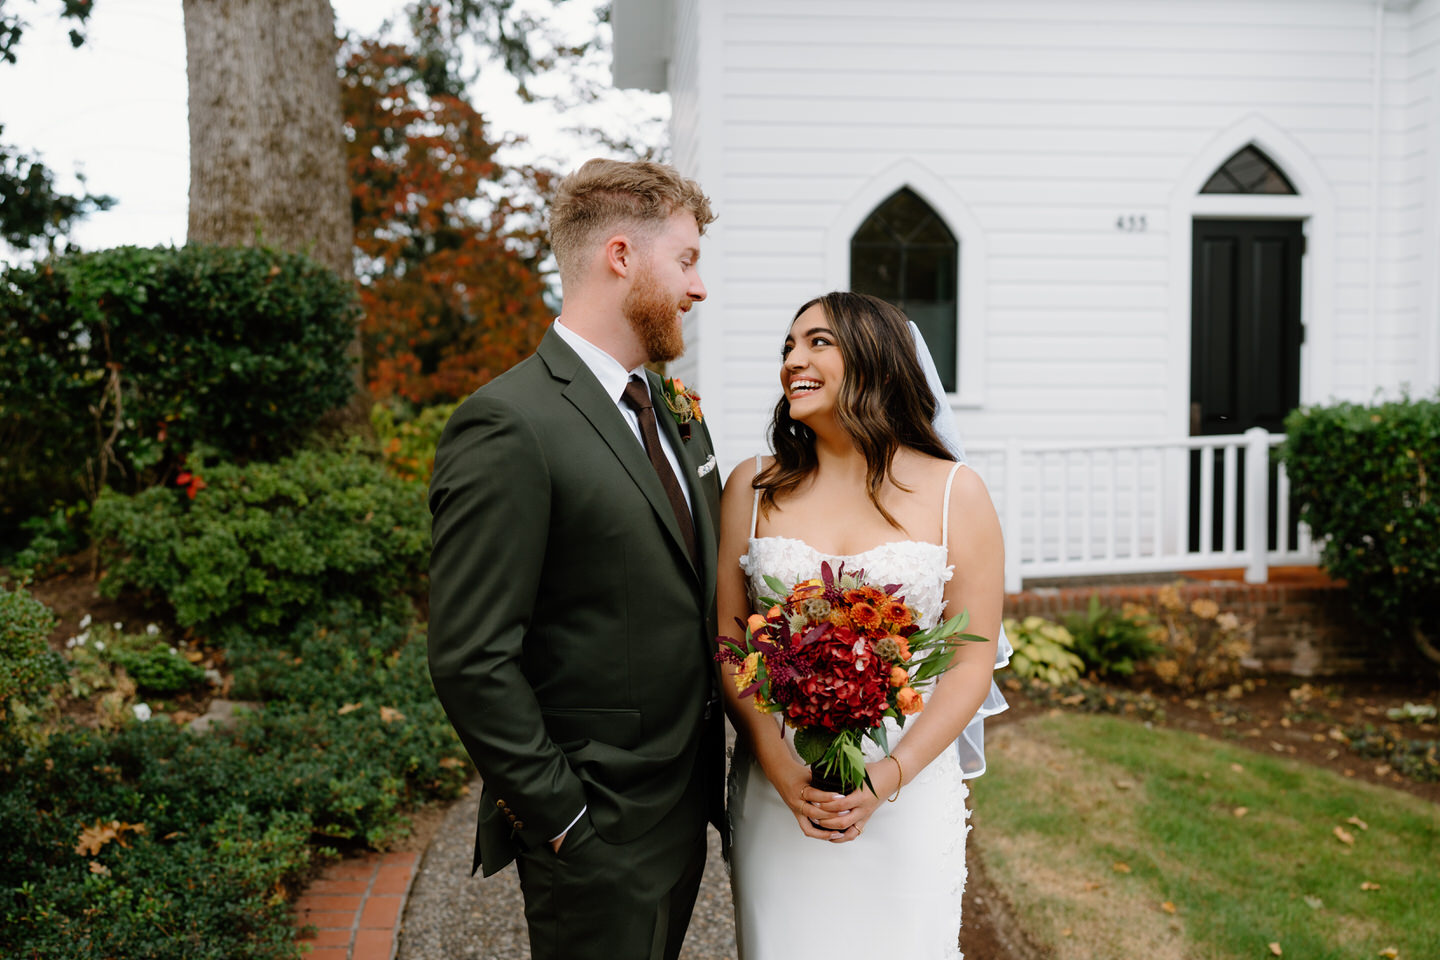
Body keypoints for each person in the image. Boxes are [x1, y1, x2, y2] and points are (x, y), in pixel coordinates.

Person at [427, 158, 726, 960]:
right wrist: (562, 820)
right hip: (594, 828)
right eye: (688, 261)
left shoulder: (673, 412)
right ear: (621, 256)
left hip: (682, 807)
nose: (700, 290)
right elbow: (471, 657)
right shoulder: (507, 423)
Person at [716, 291, 1008, 959]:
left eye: (818, 342)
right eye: (789, 346)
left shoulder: (954, 493)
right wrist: (775, 760)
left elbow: (971, 658)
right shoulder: (752, 487)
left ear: (875, 359)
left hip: (908, 796)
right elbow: (732, 643)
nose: (794, 359)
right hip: (783, 790)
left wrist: (889, 776)